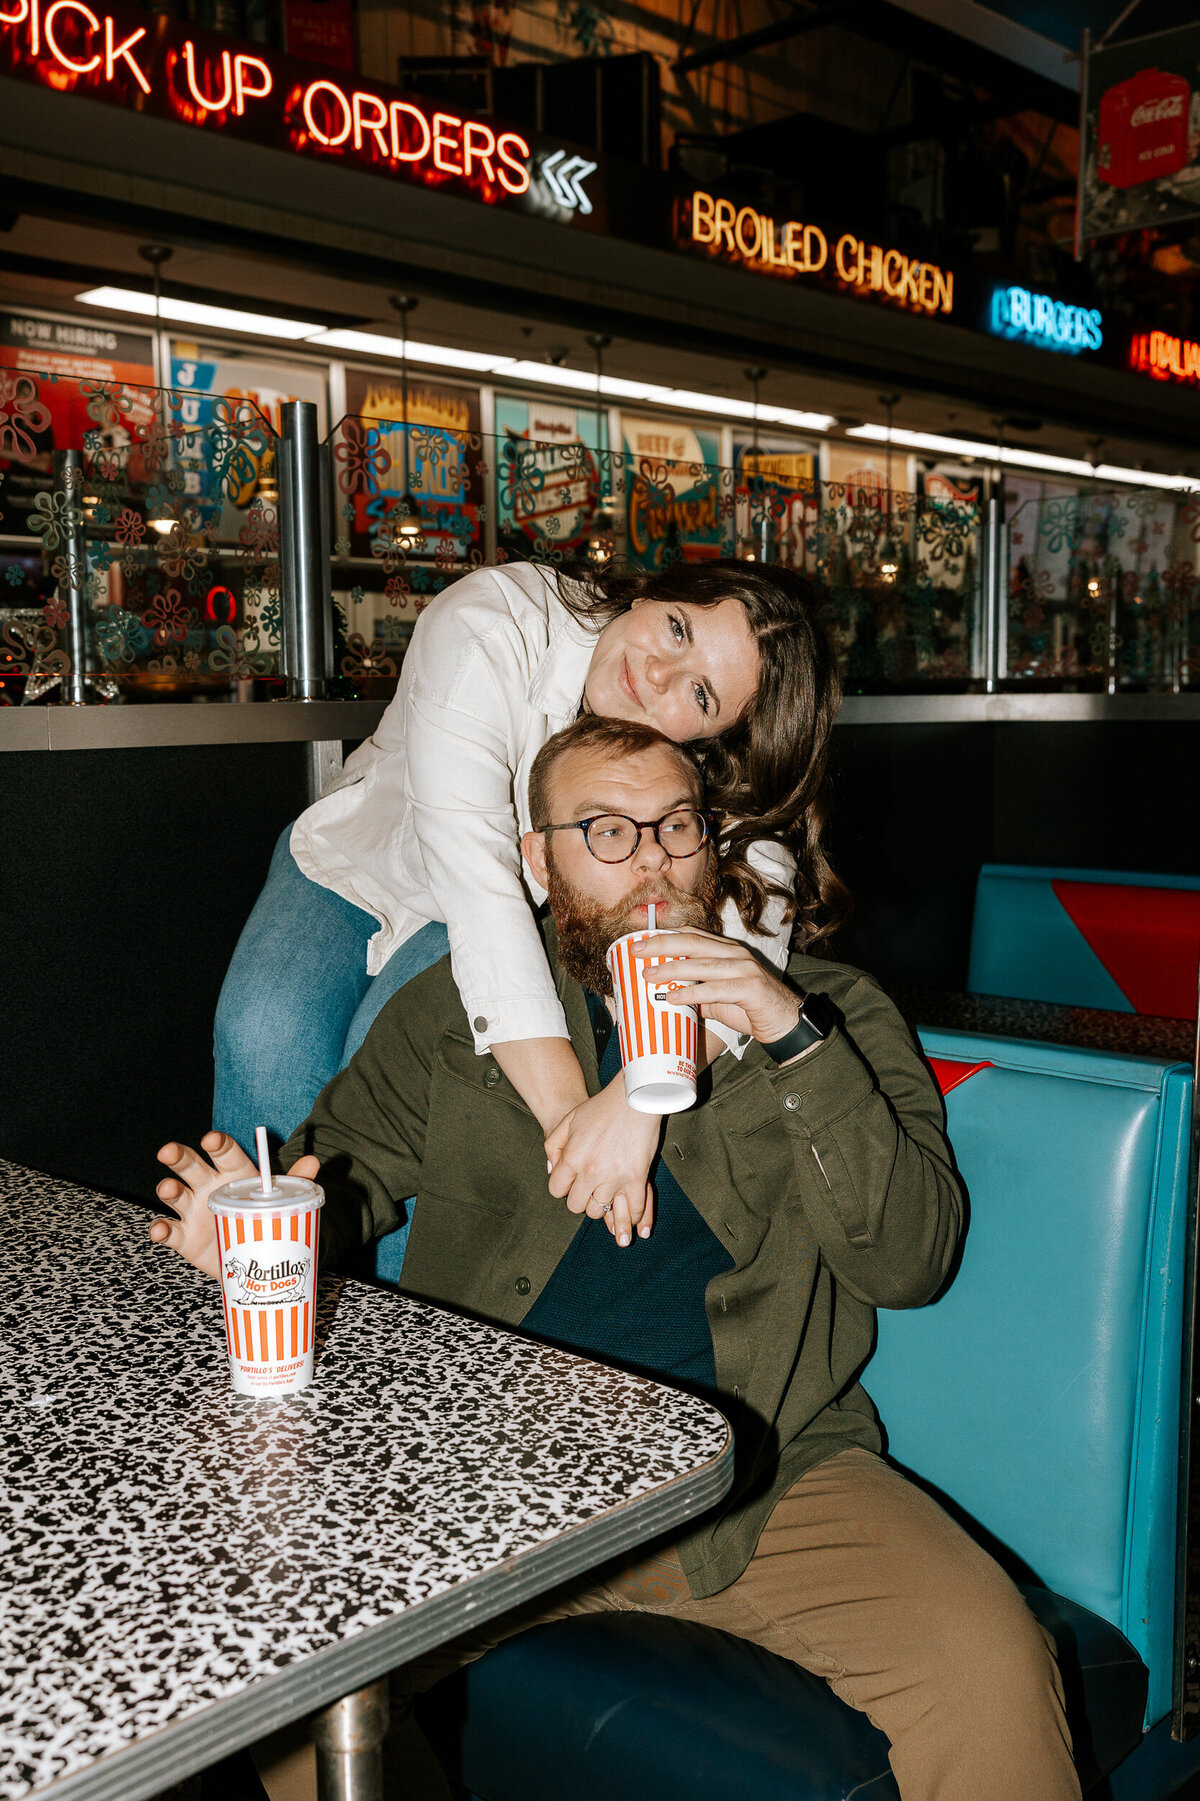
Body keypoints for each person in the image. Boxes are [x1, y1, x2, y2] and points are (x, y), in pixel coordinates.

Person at [160, 715, 1081, 1801]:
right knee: (279, 1678)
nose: (652, 857)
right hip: (484, 1477)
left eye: (677, 825)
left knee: (991, 1667)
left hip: (763, 1472)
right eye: (606, 829)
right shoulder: (456, 1015)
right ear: (535, 860)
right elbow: (342, 1181)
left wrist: (788, 1034)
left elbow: (911, 1261)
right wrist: (263, 1219)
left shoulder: (831, 1014)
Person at [213, 557, 845, 1264]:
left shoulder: (684, 772)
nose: (660, 674)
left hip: (496, 908)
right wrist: (576, 1129)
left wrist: (639, 1098)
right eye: (676, 628)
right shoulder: (493, 621)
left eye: (700, 693)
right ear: (651, 591)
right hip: (364, 854)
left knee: (408, 1070)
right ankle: (248, 1284)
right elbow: (478, 884)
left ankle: (400, 1325)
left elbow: (756, 918)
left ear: (713, 735)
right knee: (261, 1028)